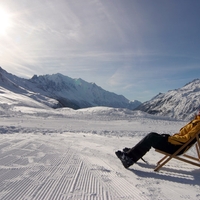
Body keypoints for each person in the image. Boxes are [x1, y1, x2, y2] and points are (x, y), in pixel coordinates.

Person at [115, 110, 200, 169]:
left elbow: (185, 139)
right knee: (153, 135)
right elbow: (182, 135)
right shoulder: (196, 120)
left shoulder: (199, 123)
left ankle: (129, 159)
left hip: (176, 148)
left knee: (152, 137)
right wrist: (170, 138)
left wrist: (169, 138)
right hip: (175, 144)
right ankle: (133, 152)